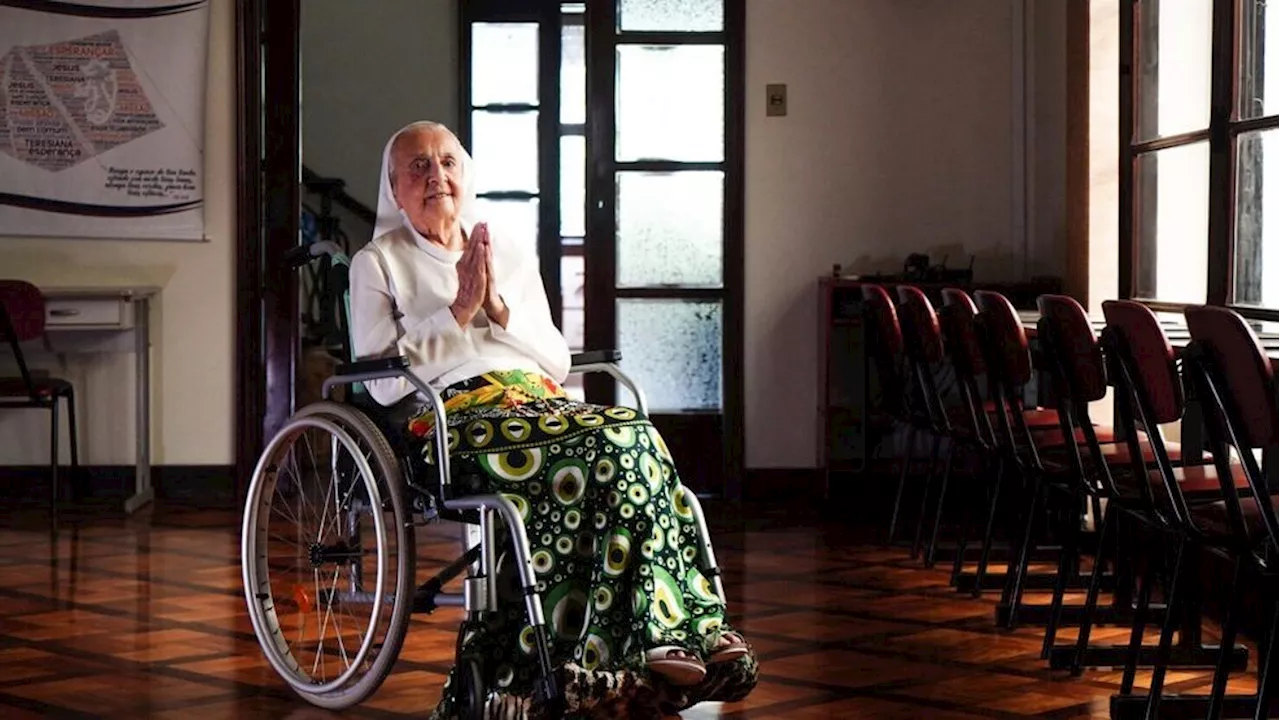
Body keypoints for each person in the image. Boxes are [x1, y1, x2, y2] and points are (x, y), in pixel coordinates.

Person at [348, 120, 757, 717]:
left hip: (537, 403)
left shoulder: (504, 248)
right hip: (453, 417)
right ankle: (660, 630)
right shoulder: (377, 262)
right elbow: (381, 382)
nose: (436, 175)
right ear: (393, 187)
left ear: (466, 175)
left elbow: (557, 357)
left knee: (630, 433)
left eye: (447, 162)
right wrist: (458, 313)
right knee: (607, 441)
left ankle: (670, 630)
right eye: (418, 167)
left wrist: (498, 308)